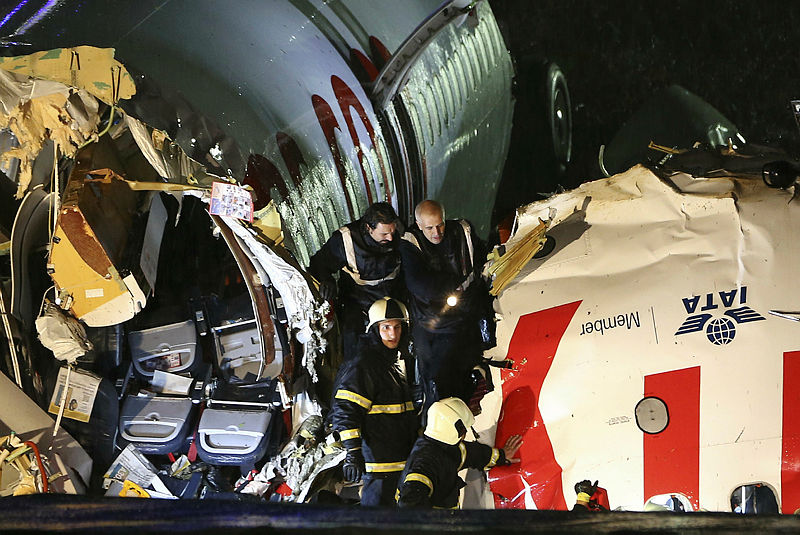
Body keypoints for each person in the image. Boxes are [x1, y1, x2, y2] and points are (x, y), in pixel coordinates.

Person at [399, 200, 493, 413]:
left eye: (440, 225)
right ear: (418, 224)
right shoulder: (410, 244)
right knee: (436, 383)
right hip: (433, 327)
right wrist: (455, 286)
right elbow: (418, 284)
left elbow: (481, 256)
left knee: (471, 370)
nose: (436, 233)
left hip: (465, 317)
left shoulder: (463, 231)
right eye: (430, 228)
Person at [328, 297, 419, 506]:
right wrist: (352, 453)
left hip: (398, 466)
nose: (393, 334)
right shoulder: (364, 365)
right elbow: (345, 411)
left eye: (397, 327)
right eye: (386, 327)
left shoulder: (392, 363)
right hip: (379, 469)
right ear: (374, 330)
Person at [308, 202, 403, 359]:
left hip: (393, 298)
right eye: (384, 234)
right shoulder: (345, 239)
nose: (390, 237)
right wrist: (327, 280)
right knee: (353, 345)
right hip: (358, 302)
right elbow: (319, 264)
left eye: (392, 232)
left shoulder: (398, 234)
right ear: (368, 228)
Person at [396, 397, 522, 508]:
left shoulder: (442, 446)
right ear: (453, 429)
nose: (465, 434)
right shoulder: (425, 464)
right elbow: (409, 505)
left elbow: (472, 453)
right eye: (463, 430)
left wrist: (501, 456)